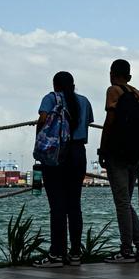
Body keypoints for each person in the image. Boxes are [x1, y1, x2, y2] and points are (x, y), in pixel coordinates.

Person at [34, 72, 93, 268]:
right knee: (74, 205)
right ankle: (75, 254)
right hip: (78, 153)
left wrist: (39, 143)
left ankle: (57, 254)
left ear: (54, 85)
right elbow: (86, 124)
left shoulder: (50, 98)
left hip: (56, 154)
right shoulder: (84, 101)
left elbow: (43, 120)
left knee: (57, 206)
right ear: (73, 85)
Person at [98, 59, 139, 263]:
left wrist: (103, 149)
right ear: (129, 76)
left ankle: (126, 251)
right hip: (136, 156)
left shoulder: (113, 91)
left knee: (122, 205)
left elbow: (110, 120)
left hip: (117, 156)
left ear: (112, 74)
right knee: (126, 204)